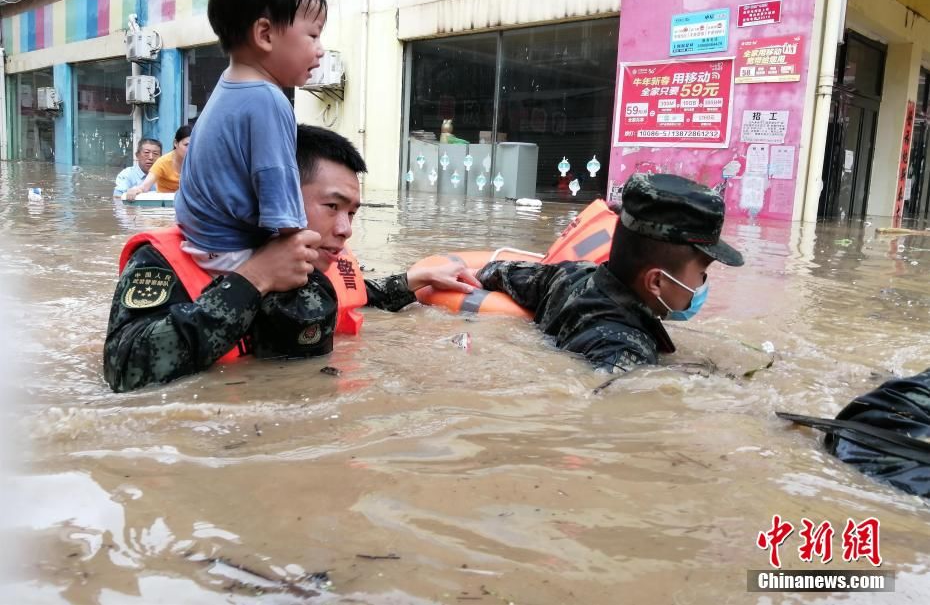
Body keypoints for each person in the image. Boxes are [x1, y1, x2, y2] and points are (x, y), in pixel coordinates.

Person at [103, 125, 479, 393]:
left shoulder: (322, 257)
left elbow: (358, 294)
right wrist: (253, 280)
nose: (346, 229)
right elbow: (124, 369)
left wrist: (414, 279)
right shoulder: (168, 259)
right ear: (274, 194)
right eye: (332, 206)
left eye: (353, 213)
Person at [475, 173, 744, 374]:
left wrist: (472, 273)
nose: (702, 284)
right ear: (656, 282)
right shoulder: (626, 351)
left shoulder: (570, 275)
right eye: (701, 272)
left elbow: (497, 271)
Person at [174, 0, 327, 275]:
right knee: (319, 285)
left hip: (202, 242)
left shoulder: (228, 87)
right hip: (233, 253)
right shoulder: (268, 99)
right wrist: (311, 248)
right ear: (265, 35)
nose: (321, 48)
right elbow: (282, 206)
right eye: (313, 35)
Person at [124, 126, 191, 199]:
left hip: (188, 204)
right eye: (186, 145)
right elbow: (145, 186)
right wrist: (135, 190)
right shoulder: (163, 162)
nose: (190, 149)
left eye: (194, 145)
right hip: (164, 205)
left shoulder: (199, 162)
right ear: (175, 143)